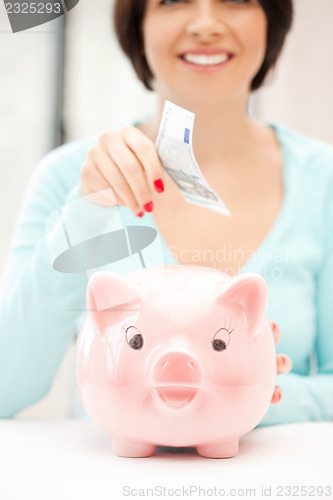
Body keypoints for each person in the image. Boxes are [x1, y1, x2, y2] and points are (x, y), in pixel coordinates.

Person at [0, 0, 332, 426]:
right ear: (138, 25)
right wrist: (84, 215)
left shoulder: (324, 183)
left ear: (272, 20)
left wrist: (257, 394)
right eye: (173, 0)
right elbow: (6, 387)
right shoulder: (67, 178)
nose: (206, 24)